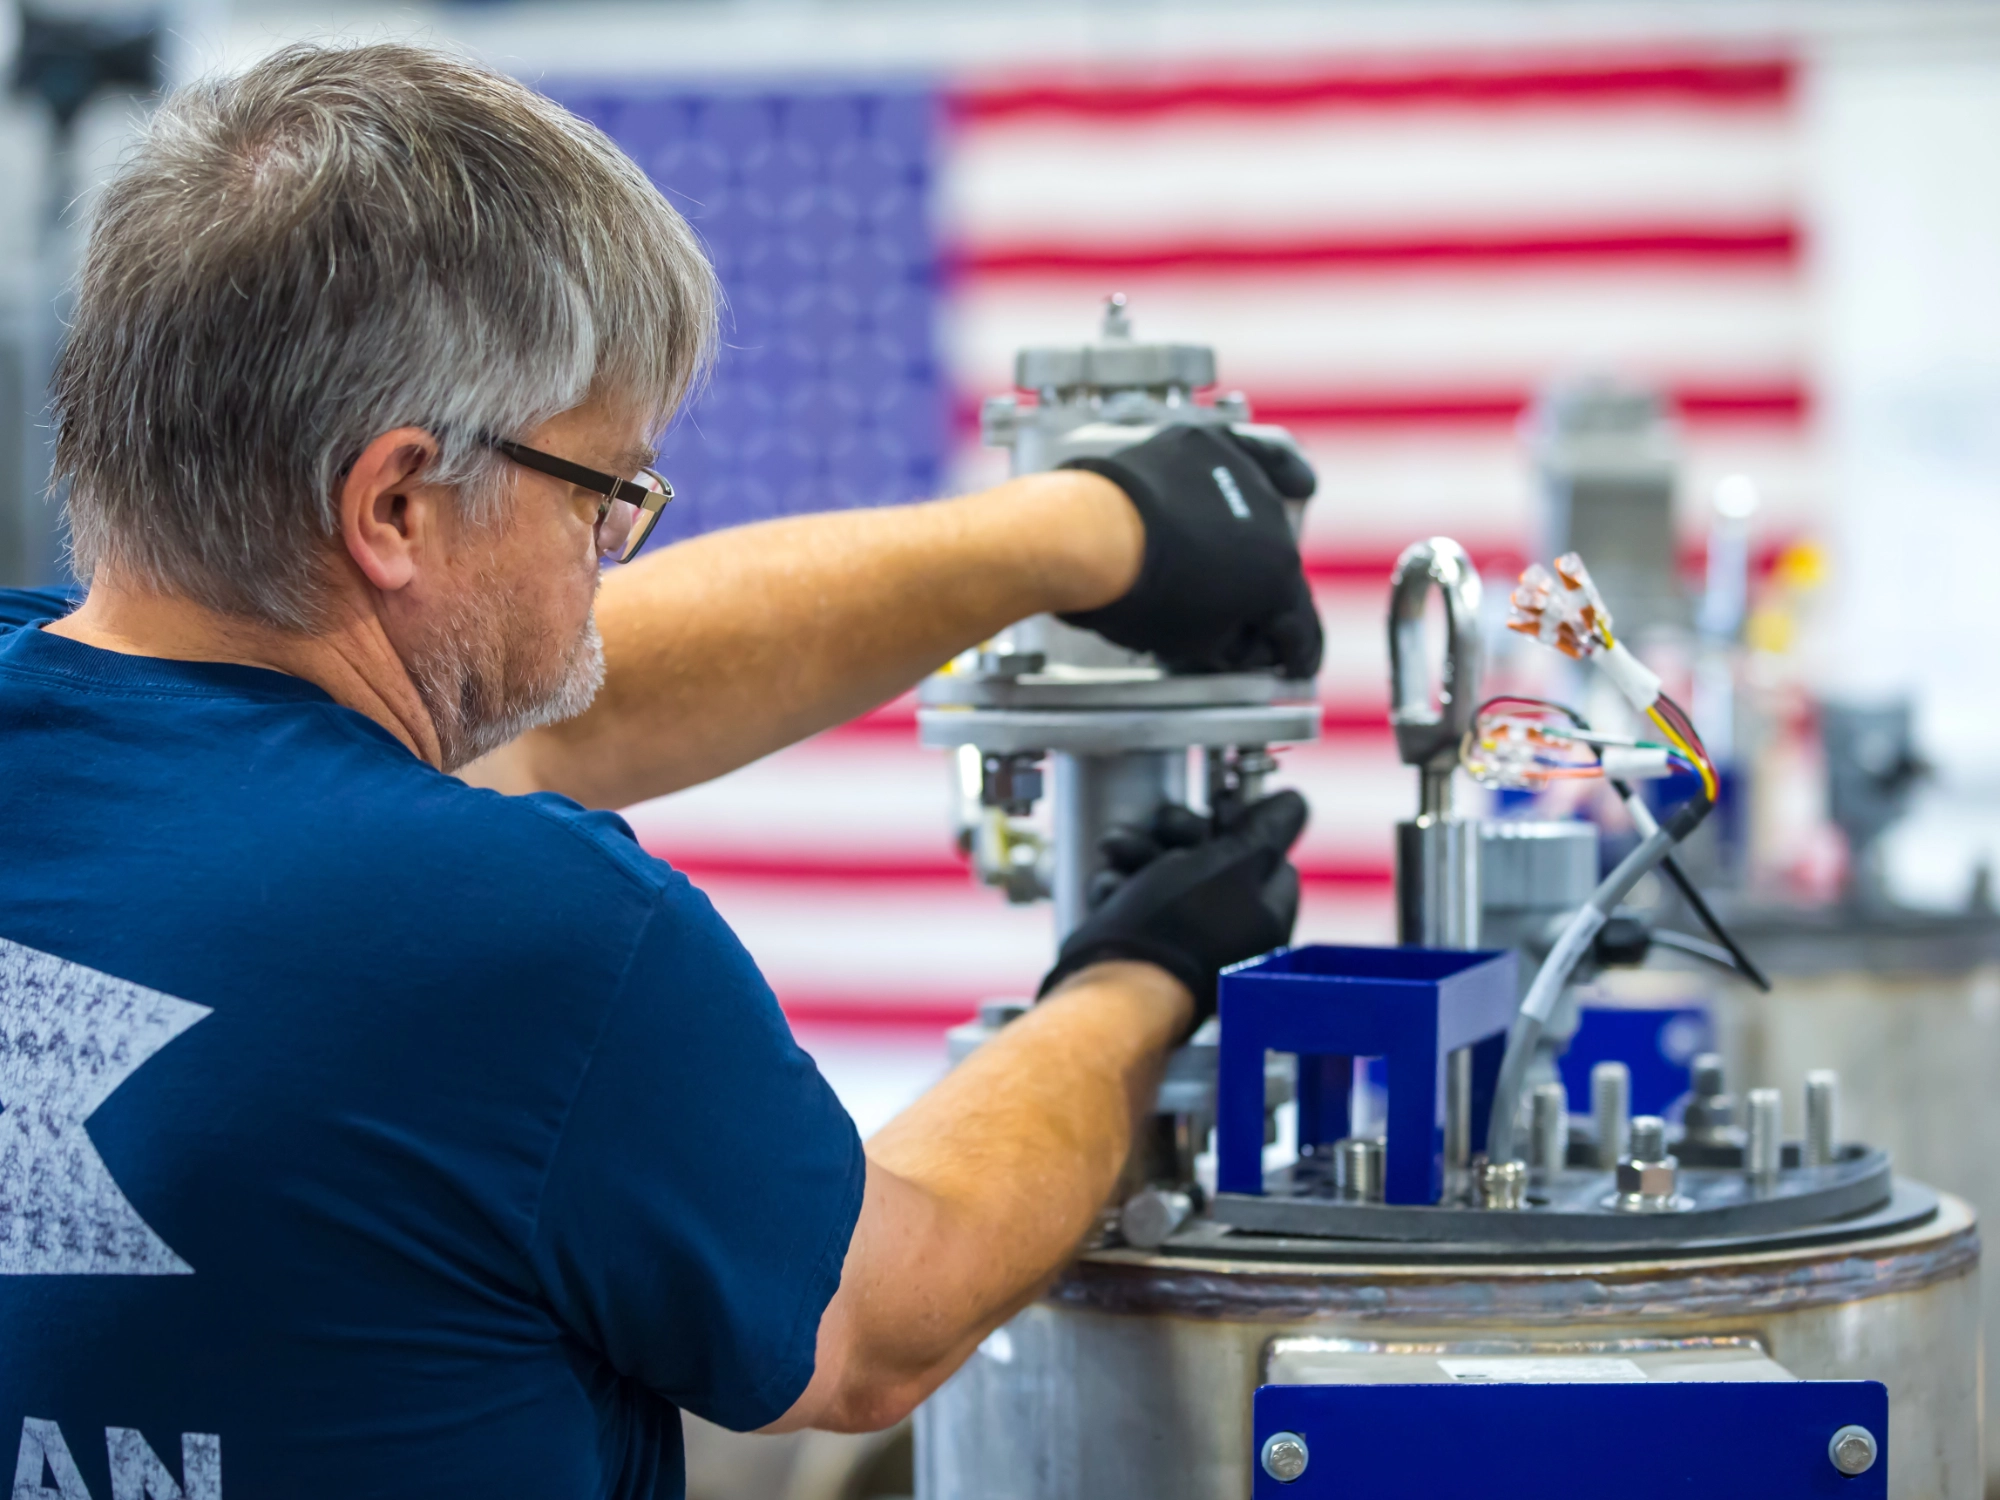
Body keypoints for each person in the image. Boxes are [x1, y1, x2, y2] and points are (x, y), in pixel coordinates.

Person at [0, 42, 1317, 1500]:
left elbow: (525, 711)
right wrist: (1141, 980)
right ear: (393, 503)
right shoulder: (521, 933)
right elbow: (884, 1312)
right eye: (606, 494)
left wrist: (1082, 534)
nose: (611, 554)